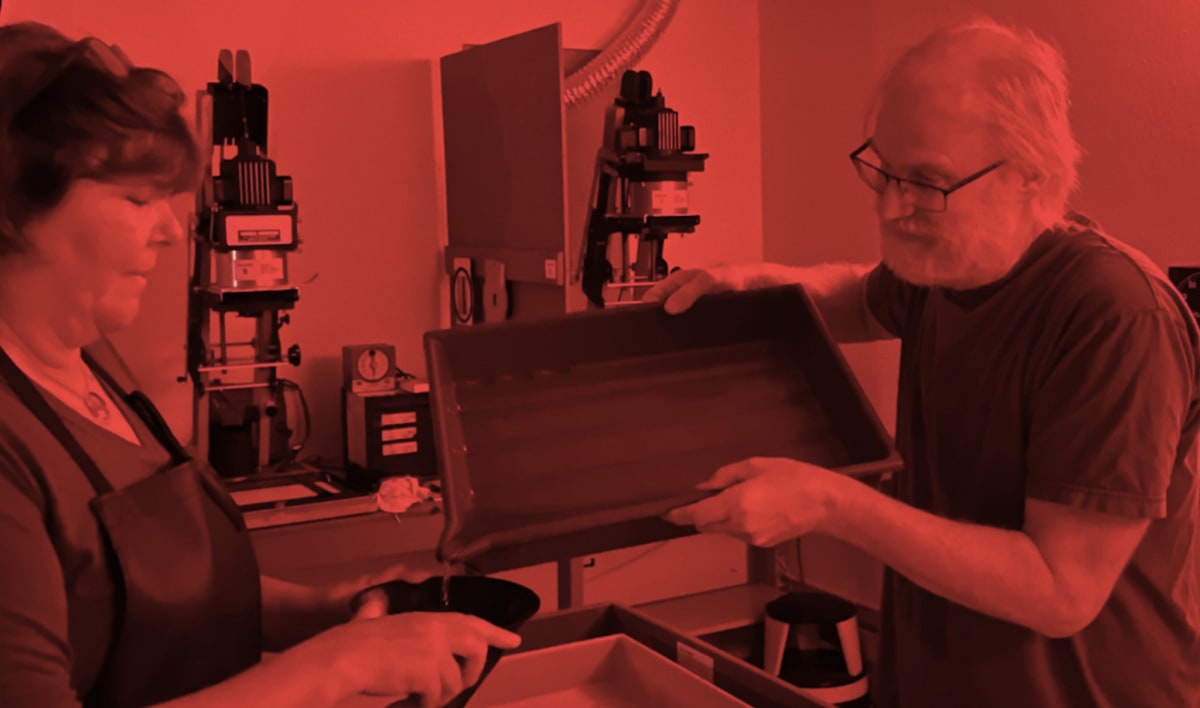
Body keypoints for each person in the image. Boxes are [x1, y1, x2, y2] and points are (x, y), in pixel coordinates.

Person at [654, 19, 1200, 708]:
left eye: (926, 182)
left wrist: (829, 502)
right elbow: (860, 296)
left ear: (1030, 177)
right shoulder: (947, 267)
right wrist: (752, 282)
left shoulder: (1114, 316)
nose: (890, 207)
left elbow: (1060, 591)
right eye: (883, 171)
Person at [0, 22, 519, 708]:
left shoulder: (92, 356)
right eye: (137, 199)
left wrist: (326, 614)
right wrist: (336, 667)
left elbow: (140, 603)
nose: (171, 230)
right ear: (16, 207)